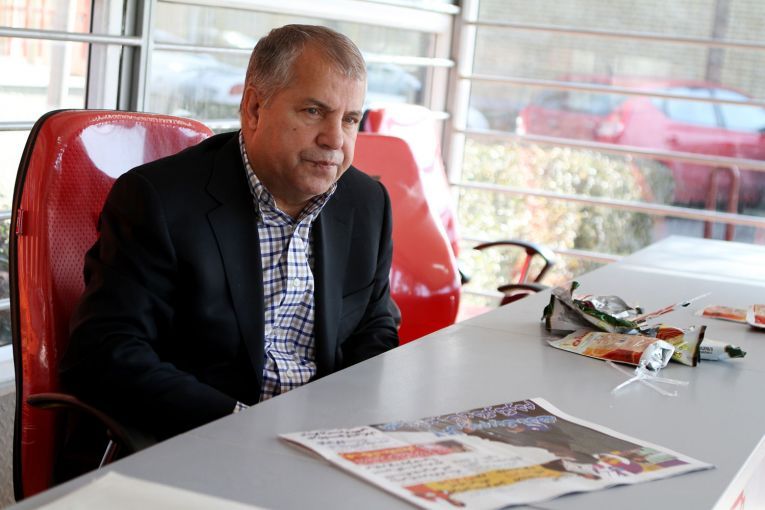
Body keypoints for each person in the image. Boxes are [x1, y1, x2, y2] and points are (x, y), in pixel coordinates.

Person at [60, 24, 399, 442]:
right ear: (254, 108)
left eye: (349, 120)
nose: (334, 139)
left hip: (321, 440)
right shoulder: (157, 201)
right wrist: (246, 426)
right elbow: (105, 352)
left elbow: (375, 327)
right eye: (313, 111)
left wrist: (344, 421)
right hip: (201, 439)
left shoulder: (366, 203)